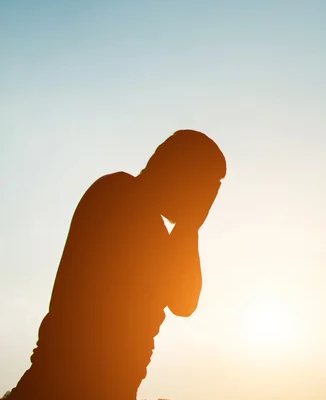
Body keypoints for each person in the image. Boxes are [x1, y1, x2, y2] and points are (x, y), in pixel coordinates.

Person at [9, 129, 226, 400]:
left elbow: (183, 304)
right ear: (177, 172)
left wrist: (188, 226)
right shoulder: (120, 194)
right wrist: (187, 226)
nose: (204, 201)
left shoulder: (150, 223)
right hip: (67, 384)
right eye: (203, 187)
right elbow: (179, 299)